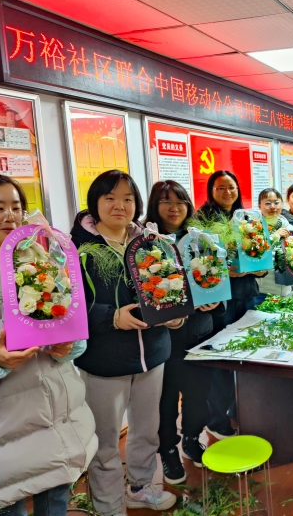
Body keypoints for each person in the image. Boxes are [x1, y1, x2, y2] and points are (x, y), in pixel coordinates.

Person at [0, 174, 97, 516]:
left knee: (56, 502)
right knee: (10, 505)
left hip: (56, 414)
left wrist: (69, 347)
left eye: (17, 207)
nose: (10, 216)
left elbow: (73, 326)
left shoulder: (43, 261)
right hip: (3, 428)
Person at [71, 170, 180, 515]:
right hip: (105, 360)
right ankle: (108, 505)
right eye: (110, 198)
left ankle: (140, 487)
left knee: (147, 430)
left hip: (153, 354)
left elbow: (170, 287)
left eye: (128, 199)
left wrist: (176, 315)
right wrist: (110, 317)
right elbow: (66, 306)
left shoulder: (151, 242)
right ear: (95, 203)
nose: (119, 205)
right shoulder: (76, 249)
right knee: (105, 439)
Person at [144, 180, 224, 483]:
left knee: (198, 391)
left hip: (199, 332)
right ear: (155, 206)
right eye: (166, 201)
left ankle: (192, 439)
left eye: (179, 202)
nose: (174, 208)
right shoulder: (146, 242)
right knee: (166, 398)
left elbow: (217, 279)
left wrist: (215, 300)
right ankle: (168, 450)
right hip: (163, 338)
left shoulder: (201, 239)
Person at [198, 170, 264, 439]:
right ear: (211, 191)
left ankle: (241, 408)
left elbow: (260, 254)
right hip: (220, 300)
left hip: (248, 294)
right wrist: (225, 272)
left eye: (232, 187)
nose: (227, 192)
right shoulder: (201, 220)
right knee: (221, 359)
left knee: (247, 353)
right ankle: (217, 418)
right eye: (221, 188)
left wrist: (260, 268)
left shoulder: (247, 218)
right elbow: (199, 262)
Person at [256, 187, 291, 298]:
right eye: (267, 203)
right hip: (263, 289)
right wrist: (274, 236)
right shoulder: (254, 226)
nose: (272, 207)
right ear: (259, 206)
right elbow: (255, 251)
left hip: (285, 287)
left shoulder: (286, 225)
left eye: (276, 203)